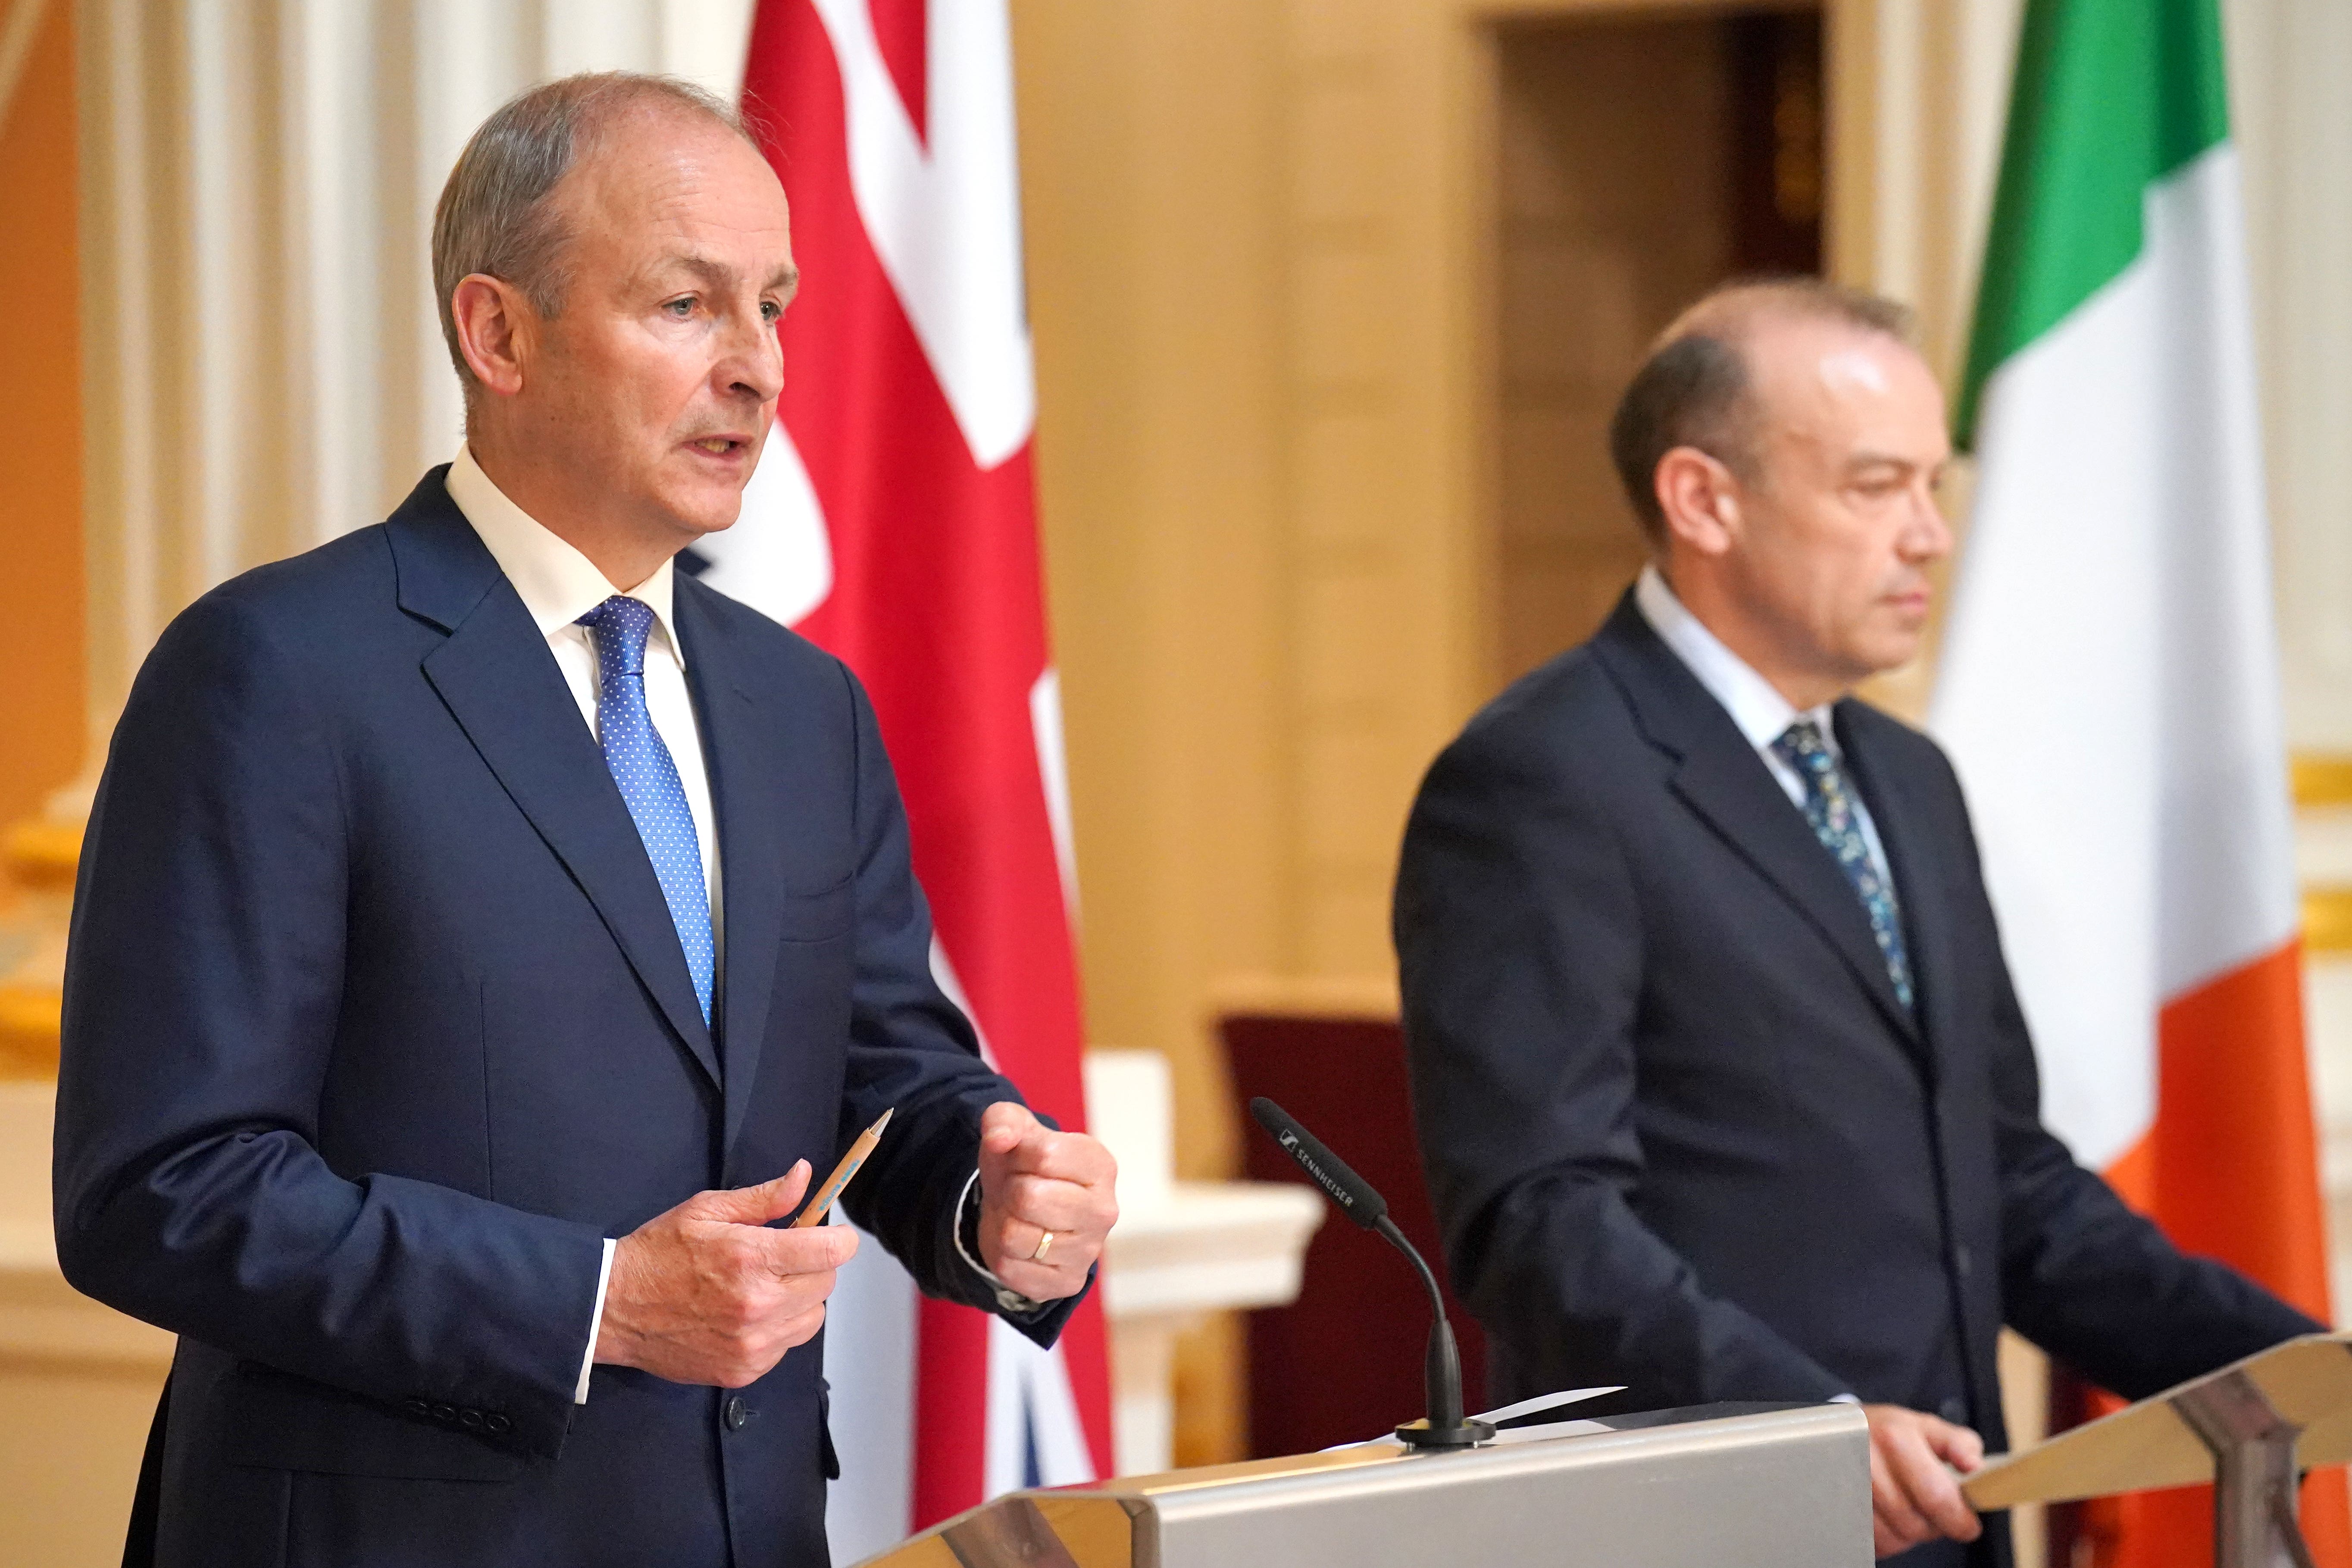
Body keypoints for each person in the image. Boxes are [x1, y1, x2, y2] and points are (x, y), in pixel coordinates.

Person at [52, 73, 1117, 1568]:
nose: (758, 369)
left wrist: (989, 1195)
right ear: (498, 333)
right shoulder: (276, 672)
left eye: (775, 307)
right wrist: (599, 1301)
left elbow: (885, 1067)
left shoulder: (804, 707)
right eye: (688, 304)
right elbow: (160, 1188)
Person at [1392, 278, 2318, 1565]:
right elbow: (1539, 1218)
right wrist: (1808, 1426)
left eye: (1934, 487)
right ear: (1703, 499)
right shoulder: (1542, 779)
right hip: (1704, 1529)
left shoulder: (1907, 777)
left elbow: (2007, 1182)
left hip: (1945, 1523)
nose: (1930, 536)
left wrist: (2294, 1366)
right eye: (1877, 488)